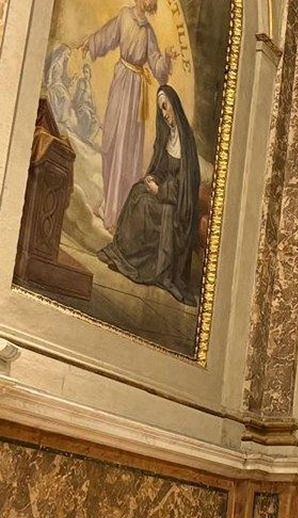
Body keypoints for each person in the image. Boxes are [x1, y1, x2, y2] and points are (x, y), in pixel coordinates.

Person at [97, 85, 200, 305]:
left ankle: (157, 270)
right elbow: (162, 168)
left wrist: (160, 191)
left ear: (174, 105)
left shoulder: (186, 141)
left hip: (179, 206)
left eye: (166, 107)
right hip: (165, 193)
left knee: (156, 208)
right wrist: (153, 179)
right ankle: (125, 255)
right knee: (138, 192)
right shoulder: (168, 136)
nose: (164, 114)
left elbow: (185, 187)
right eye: (161, 110)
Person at [81, 0, 176, 226]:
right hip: (121, 79)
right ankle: (108, 202)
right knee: (111, 141)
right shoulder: (125, 16)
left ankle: (118, 211)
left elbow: (157, 67)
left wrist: (168, 57)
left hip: (136, 92)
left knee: (128, 149)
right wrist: (91, 43)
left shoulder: (149, 31)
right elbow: (108, 36)